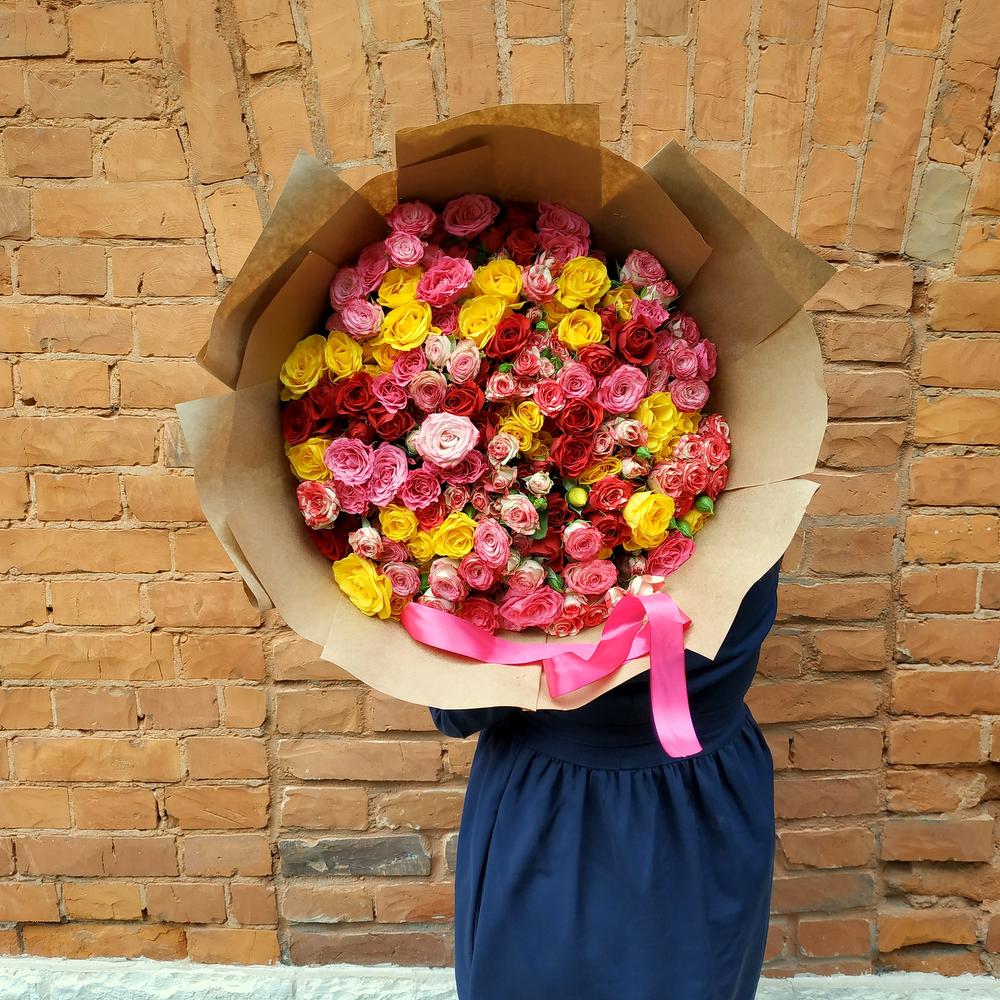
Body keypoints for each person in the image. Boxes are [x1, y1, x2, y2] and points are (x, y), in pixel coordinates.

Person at [429, 559, 782, 1000]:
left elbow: (457, 710)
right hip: (710, 798)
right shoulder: (756, 529)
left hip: (551, 807)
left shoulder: (523, 552)